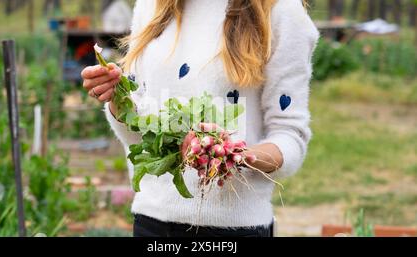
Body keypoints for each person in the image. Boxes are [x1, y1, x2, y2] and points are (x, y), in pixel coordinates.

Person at [81, 0, 319, 237]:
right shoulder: (151, 5)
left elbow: (290, 135)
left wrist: (235, 155)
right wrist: (116, 97)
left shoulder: (281, 10)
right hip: (152, 222)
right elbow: (139, 132)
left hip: (233, 230)